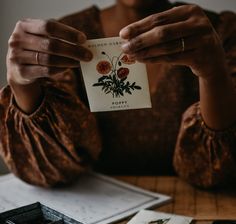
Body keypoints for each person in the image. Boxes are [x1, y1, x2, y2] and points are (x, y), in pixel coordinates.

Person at [1, 0, 236, 188]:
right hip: (98, 210)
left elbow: (220, 173)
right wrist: (23, 87)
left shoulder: (218, 34)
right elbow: (50, 169)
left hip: (204, 212)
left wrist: (214, 75)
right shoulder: (63, 40)